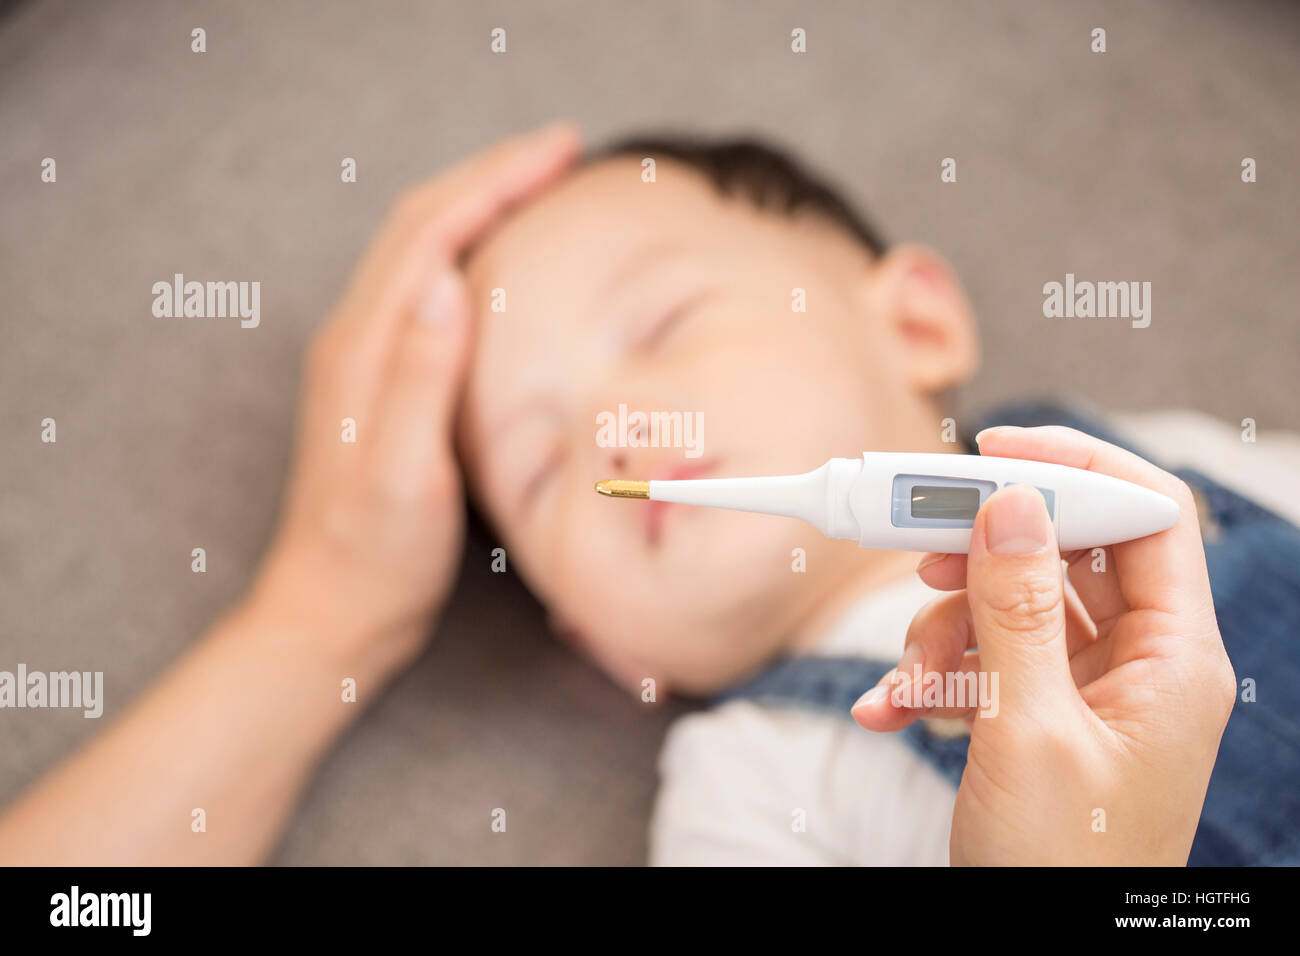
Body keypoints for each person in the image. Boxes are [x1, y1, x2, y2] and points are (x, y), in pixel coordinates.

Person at [0, 122, 1284, 866]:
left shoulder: (1152, 460)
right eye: (547, 464)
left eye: (664, 321)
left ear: (913, 318)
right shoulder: (745, 790)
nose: (623, 425)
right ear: (605, 646)